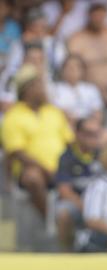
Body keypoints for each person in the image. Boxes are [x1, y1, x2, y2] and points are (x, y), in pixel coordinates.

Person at [1, 64, 73, 217]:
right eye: (39, 85)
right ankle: (47, 221)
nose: (44, 89)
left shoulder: (54, 112)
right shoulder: (13, 116)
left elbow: (69, 143)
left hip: (62, 166)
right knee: (33, 177)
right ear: (27, 89)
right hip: (33, 169)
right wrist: (47, 169)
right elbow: (17, 152)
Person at [55, 118, 103, 251]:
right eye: (88, 134)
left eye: (95, 134)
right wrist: (88, 208)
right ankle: (66, 254)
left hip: (101, 204)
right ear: (77, 134)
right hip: (78, 204)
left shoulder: (104, 156)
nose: (92, 138)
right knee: (63, 212)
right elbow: (64, 191)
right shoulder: (66, 157)